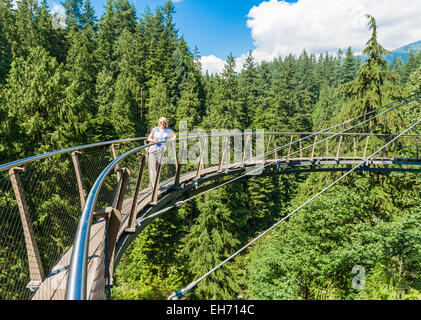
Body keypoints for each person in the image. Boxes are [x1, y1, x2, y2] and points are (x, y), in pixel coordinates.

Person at [146, 117, 176, 189]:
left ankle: (155, 184)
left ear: (166, 123)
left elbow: (174, 136)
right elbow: (149, 138)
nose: (162, 123)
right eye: (161, 122)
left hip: (161, 150)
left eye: (164, 122)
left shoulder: (168, 130)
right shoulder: (155, 129)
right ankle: (155, 186)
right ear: (159, 123)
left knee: (158, 167)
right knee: (153, 168)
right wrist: (153, 141)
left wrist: (172, 139)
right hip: (153, 149)